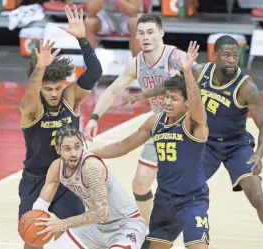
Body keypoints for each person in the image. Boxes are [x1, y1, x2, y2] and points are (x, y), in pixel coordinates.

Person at [122, 35, 263, 242]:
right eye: (226, 55)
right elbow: (173, 85)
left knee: (256, 195)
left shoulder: (246, 87)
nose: (231, 59)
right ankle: (160, 240)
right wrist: (143, 95)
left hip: (236, 145)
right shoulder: (200, 71)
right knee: (182, 191)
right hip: (206, 144)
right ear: (215, 55)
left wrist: (258, 154)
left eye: (235, 55)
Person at [93, 41, 210, 249]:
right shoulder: (155, 122)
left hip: (192, 199)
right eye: (166, 97)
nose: (167, 102)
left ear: (187, 103)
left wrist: (188, 72)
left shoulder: (194, 124)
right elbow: (123, 146)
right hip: (164, 199)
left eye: (173, 99)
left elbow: (197, 102)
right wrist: (91, 154)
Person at [84, 13, 191, 226]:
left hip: (186, 126)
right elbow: (113, 91)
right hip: (160, 124)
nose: (146, 37)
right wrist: (94, 118)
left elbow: (203, 86)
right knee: (140, 184)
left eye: (151, 32)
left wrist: (186, 76)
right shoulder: (136, 64)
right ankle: (152, 228)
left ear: (161, 33)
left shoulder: (176, 57)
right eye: (141, 33)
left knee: (178, 186)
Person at [18, 5, 102, 249]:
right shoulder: (33, 107)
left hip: (67, 180)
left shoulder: (70, 97)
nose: (54, 94)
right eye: (48, 88)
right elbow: (28, 97)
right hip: (37, 181)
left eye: (58, 87)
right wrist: (40, 67)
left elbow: (95, 71)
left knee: (70, 239)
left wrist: (83, 39)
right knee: (34, 238)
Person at [33, 122, 147, 249]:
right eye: (67, 149)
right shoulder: (56, 167)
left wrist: (62, 224)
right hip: (95, 228)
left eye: (77, 147)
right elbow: (41, 204)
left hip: (125, 225)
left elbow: (102, 213)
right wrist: (35, 222)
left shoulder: (90, 167)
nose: (74, 153)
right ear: (58, 149)